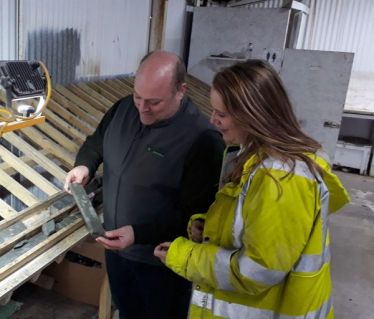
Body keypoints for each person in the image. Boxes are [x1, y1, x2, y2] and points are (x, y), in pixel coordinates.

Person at [154, 59, 350, 319]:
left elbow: (258, 271)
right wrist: (212, 229)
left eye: (221, 114)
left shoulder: (281, 180)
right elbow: (256, 226)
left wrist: (185, 256)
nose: (213, 120)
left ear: (254, 116)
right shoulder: (252, 157)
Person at [64, 51, 225, 319]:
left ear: (181, 91)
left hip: (162, 263)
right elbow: (97, 141)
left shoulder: (203, 139)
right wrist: (85, 165)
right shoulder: (124, 107)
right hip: (118, 252)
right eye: (138, 96)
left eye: (154, 102)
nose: (142, 108)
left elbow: (194, 214)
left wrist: (138, 233)